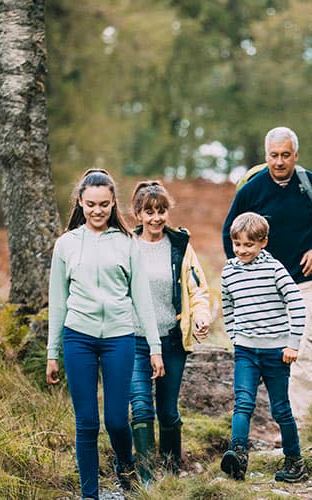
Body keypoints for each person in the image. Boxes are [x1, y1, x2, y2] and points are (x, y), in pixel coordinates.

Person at [46, 169, 165, 499]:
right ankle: (89, 495)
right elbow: (58, 302)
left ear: (113, 204)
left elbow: (141, 299)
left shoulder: (127, 244)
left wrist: (154, 347)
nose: (97, 211)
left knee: (115, 419)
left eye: (103, 204)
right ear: (80, 203)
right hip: (78, 337)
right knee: (86, 424)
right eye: (90, 204)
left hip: (119, 338)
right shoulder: (66, 245)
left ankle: (124, 465)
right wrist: (51, 353)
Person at [221, 126, 312, 424]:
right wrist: (241, 274)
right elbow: (229, 233)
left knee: (301, 348)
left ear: (295, 156)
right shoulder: (252, 190)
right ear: (266, 155)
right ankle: (277, 420)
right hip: (264, 288)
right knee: (271, 355)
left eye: (286, 155)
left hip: (302, 281)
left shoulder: (310, 184)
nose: (279, 162)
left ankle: (301, 425)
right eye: (274, 155)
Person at [127, 180, 211, 482]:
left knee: (167, 410)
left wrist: (201, 316)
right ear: (137, 214)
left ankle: (173, 471)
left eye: (161, 211)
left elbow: (198, 289)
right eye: (148, 212)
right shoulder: (127, 246)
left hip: (171, 340)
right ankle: (149, 480)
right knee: (140, 407)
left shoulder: (180, 247)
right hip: (134, 341)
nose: (155, 218)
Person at [220, 212, 308, 483]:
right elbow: (228, 305)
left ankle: (295, 460)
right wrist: (234, 334)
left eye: (248, 245)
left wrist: (292, 344)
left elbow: (297, 303)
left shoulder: (275, 269)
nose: (242, 250)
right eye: (237, 244)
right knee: (242, 403)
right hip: (245, 350)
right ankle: (238, 455)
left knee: (280, 409)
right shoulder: (228, 271)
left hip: (276, 351)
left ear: (263, 242)